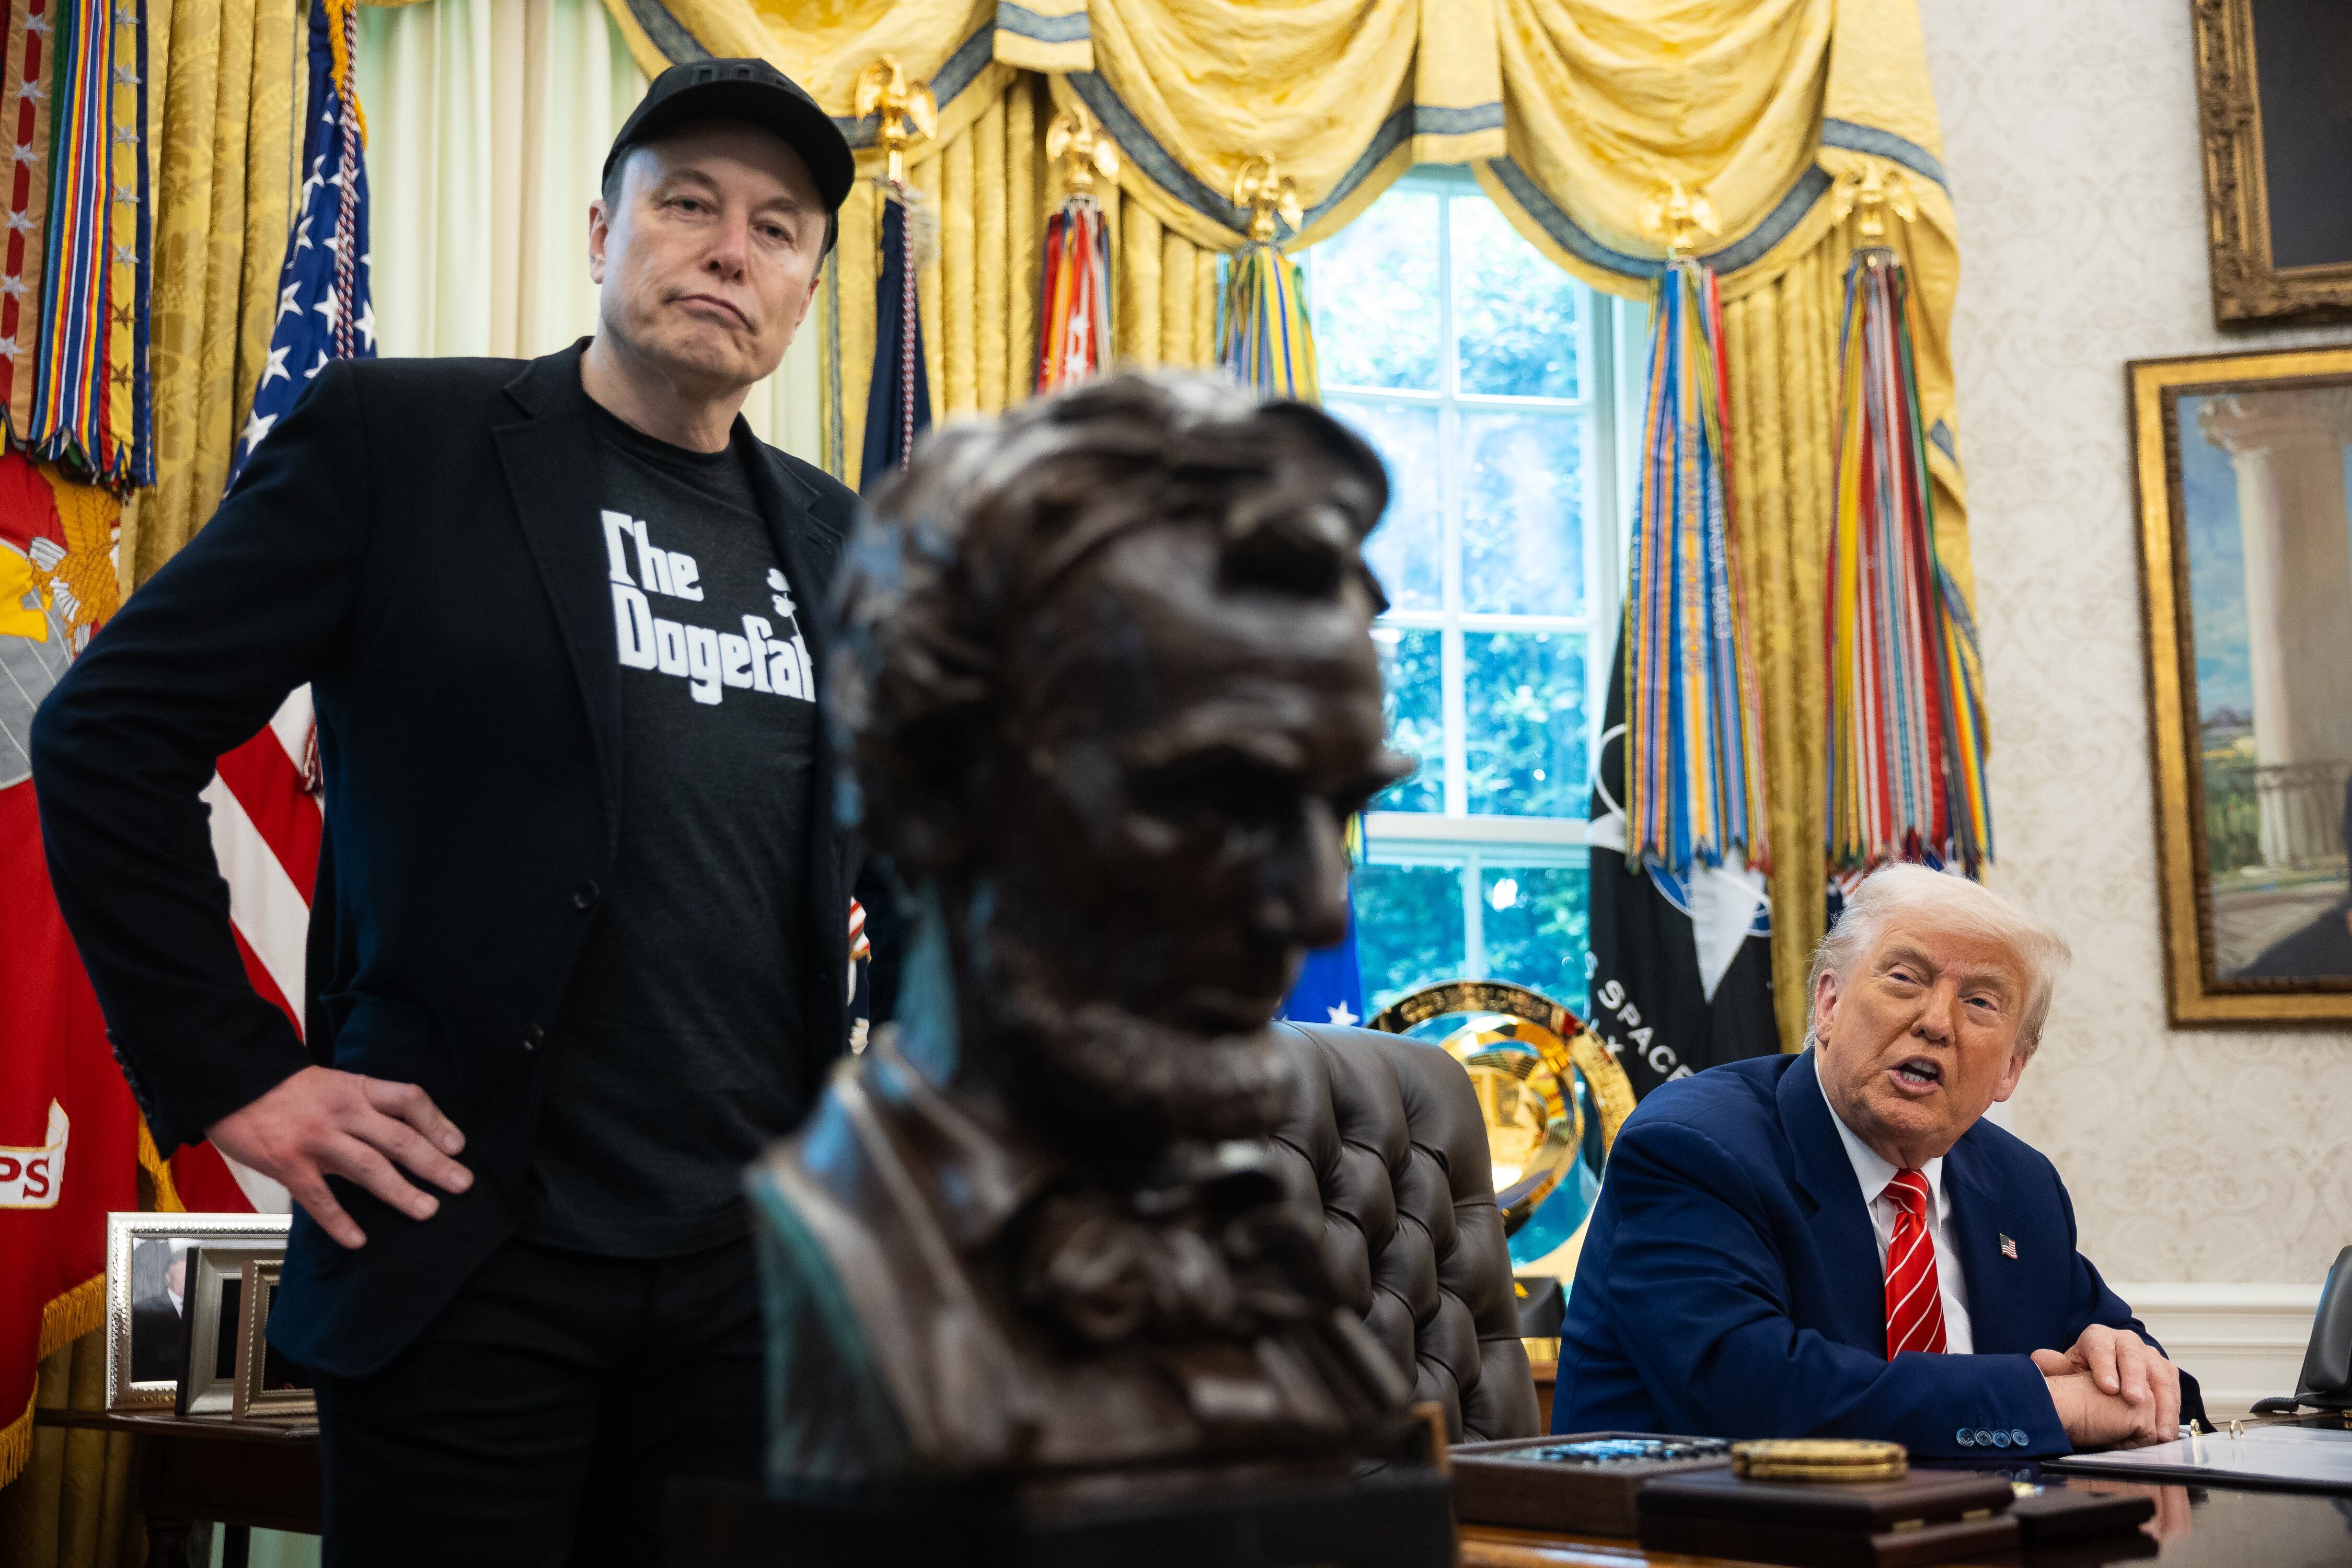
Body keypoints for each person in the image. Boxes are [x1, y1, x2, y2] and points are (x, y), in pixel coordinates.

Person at [32, 58, 857, 1565]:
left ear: (806, 285)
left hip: (753, 1283)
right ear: (597, 231)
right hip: (470, 1261)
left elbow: (901, 840)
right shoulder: (396, 446)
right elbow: (104, 731)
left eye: (779, 226)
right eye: (687, 204)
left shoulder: (840, 535)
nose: (731, 249)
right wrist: (236, 1077)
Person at [752, 373, 1422, 1483]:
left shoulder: (1267, 1247)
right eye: (1217, 803)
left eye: (1340, 810)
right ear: (941, 794)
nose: (1315, 907)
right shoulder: (839, 1256)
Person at [1553, 864, 2201, 1456]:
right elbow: (1752, 1399)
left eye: (1980, 1002)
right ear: (1828, 1005)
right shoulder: (1694, 1147)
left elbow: (2164, 1399)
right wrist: (2045, 1402)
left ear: (2011, 1069)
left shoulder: (2021, 1186)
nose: (1936, 1022)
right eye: (1905, 978)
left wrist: (2126, 1368)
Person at [129, 1244, 189, 1385]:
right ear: (168, 1278)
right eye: (183, 1275)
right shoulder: (144, 1312)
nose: (189, 1280)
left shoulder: (209, 1308)